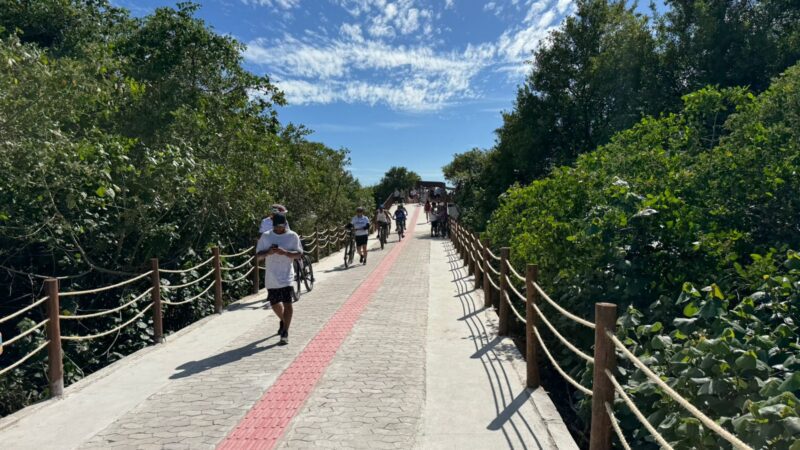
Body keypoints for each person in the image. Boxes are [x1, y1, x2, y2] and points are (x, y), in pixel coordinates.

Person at [256, 214, 302, 345]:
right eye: (276, 227)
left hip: (287, 275)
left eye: (281, 227)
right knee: (274, 303)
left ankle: (285, 332)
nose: (279, 229)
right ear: (273, 225)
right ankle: (283, 320)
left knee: (288, 303)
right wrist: (268, 253)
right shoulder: (266, 236)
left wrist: (286, 253)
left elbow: (299, 254)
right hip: (271, 276)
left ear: (285, 224)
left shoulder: (293, 236)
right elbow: (258, 256)